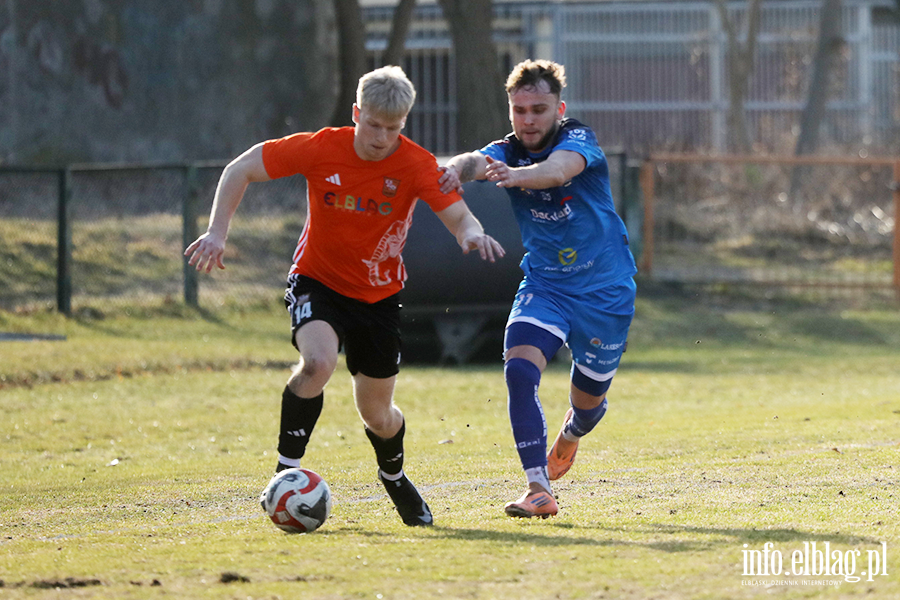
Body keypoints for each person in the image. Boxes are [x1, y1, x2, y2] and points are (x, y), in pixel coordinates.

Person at [185, 66, 505, 527]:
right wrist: (217, 232)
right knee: (317, 364)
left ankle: (393, 477)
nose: (380, 137)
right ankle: (285, 474)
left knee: (378, 414)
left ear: (403, 126)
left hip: (379, 298)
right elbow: (241, 169)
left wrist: (471, 234)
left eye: (392, 129)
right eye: (373, 124)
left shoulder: (414, 164)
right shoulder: (321, 148)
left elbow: (459, 217)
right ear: (357, 114)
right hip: (318, 280)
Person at [439, 59, 637, 519]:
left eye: (538, 110)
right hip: (546, 284)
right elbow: (475, 160)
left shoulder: (578, 139)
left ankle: (571, 433)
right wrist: (455, 168)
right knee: (519, 371)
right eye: (519, 110)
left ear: (558, 109)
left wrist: (514, 176)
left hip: (605, 289)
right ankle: (537, 488)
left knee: (587, 405)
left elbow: (557, 171)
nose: (528, 120)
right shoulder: (505, 150)